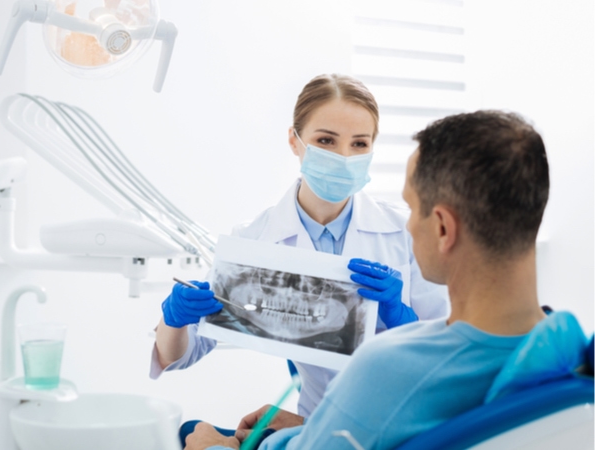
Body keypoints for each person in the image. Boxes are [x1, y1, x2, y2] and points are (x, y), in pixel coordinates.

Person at [184, 109, 552, 449]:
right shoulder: (557, 345)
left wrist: (214, 447)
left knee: (190, 430)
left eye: (412, 208)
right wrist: (317, 426)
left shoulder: (385, 369)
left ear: (442, 227)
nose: (406, 224)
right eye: (327, 140)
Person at [151, 74, 449, 419]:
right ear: (294, 141)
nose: (343, 156)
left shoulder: (407, 230)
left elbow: (445, 358)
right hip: (319, 424)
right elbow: (178, 356)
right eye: (326, 140)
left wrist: (401, 319)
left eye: (359, 144)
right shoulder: (255, 240)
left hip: (411, 421)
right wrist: (174, 320)